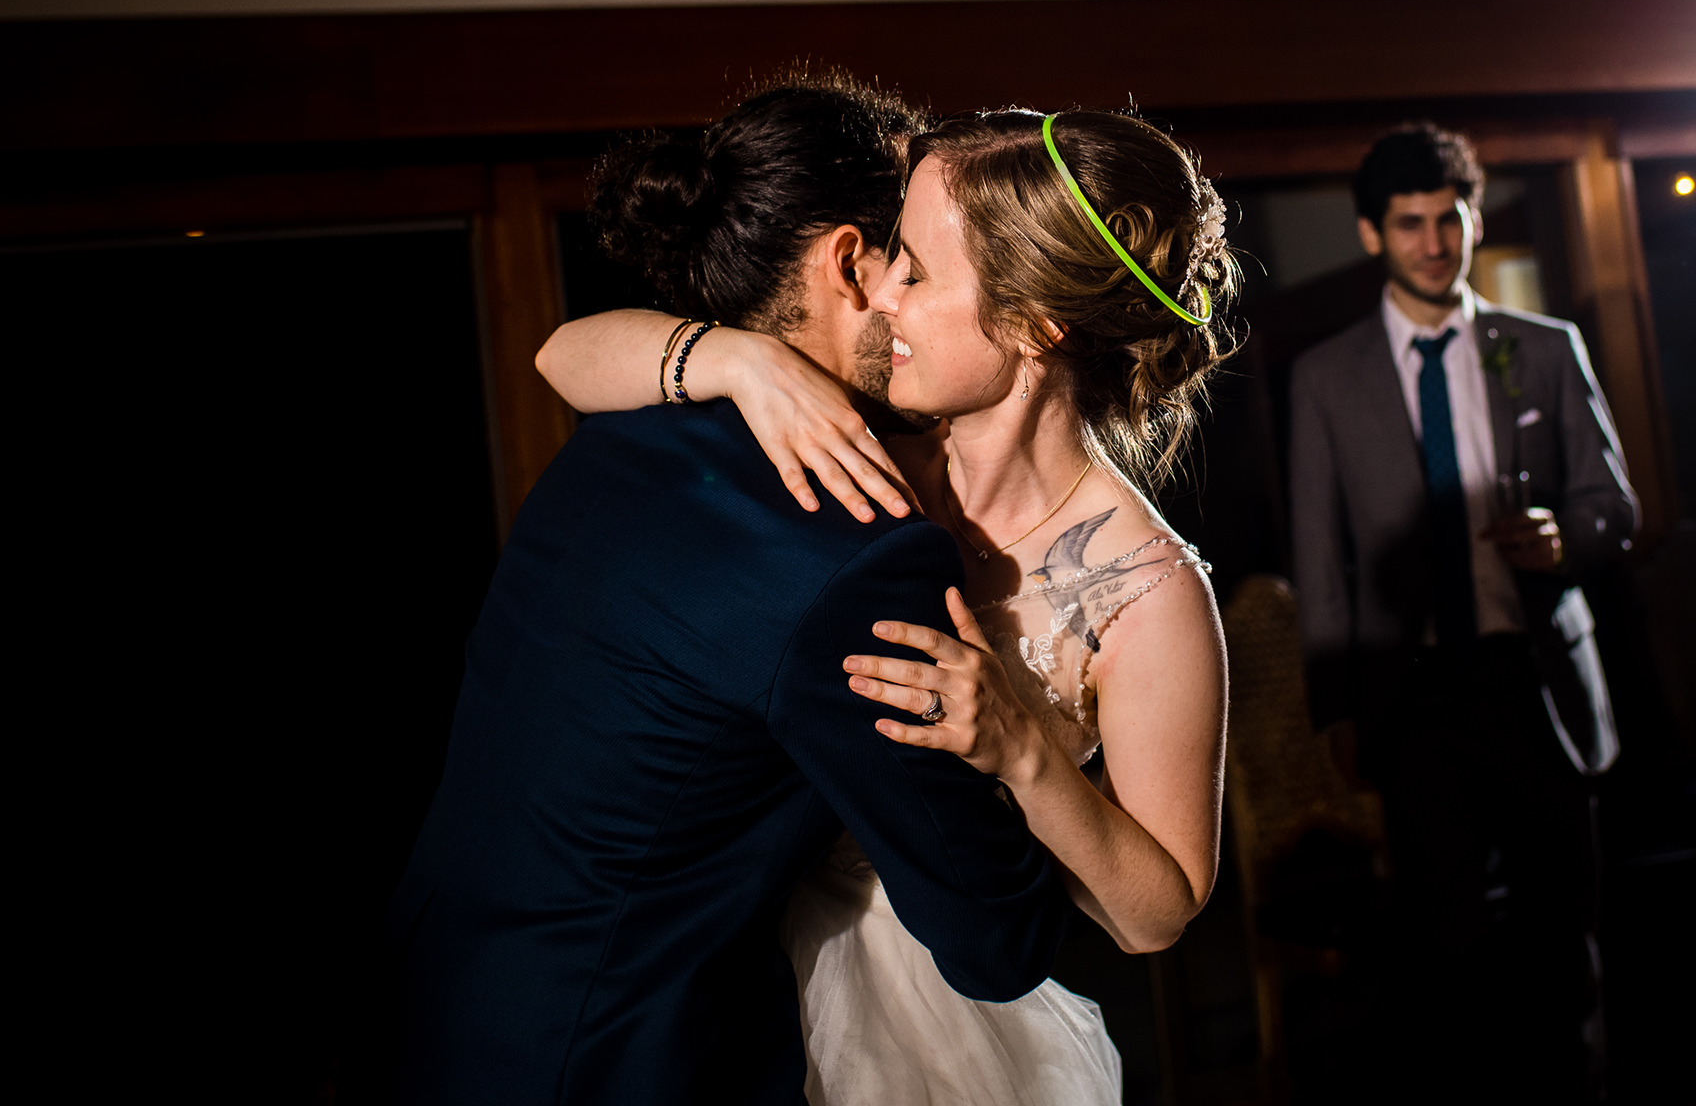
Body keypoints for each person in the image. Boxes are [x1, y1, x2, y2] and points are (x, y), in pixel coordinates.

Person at [389, 77, 1081, 1106]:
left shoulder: (612, 443)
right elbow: (996, 938)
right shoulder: (856, 549)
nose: (919, 297)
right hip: (620, 1060)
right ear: (852, 262)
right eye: (919, 261)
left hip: (441, 1019)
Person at [539, 106, 1237, 1104]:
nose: (883, 298)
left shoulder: (1148, 594)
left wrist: (1025, 755)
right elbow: (563, 358)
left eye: (913, 269)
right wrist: (743, 360)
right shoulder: (849, 434)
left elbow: (1155, 914)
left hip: (929, 1025)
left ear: (1036, 324)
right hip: (723, 971)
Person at [1287, 122, 1637, 1102]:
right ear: (1371, 236)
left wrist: (1570, 537)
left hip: (1538, 680)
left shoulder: (1544, 349)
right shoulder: (1325, 377)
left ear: (1471, 218)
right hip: (1414, 697)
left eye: (1450, 219)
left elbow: (1618, 505)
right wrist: (1337, 712)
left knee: (1563, 936)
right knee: (1452, 947)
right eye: (1411, 225)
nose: (1435, 243)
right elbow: (1323, 558)